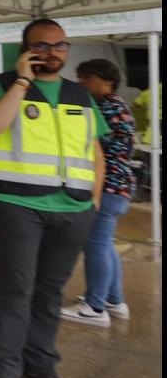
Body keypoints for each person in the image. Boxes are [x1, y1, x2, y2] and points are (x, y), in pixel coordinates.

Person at [0, 18, 105, 378]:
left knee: (50, 294)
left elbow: (95, 150)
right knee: (14, 291)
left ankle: (40, 368)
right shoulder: (0, 85)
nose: (52, 53)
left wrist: (94, 201)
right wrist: (21, 81)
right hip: (21, 205)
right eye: (42, 46)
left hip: (74, 209)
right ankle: (1, 376)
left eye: (60, 45)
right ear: (25, 49)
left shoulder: (79, 95)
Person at [61, 58, 137, 328]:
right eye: (80, 77)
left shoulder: (106, 107)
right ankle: (114, 300)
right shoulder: (116, 105)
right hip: (119, 187)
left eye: (87, 78)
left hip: (107, 186)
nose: (81, 83)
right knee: (105, 245)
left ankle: (94, 306)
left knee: (95, 245)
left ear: (107, 79)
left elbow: (91, 146)